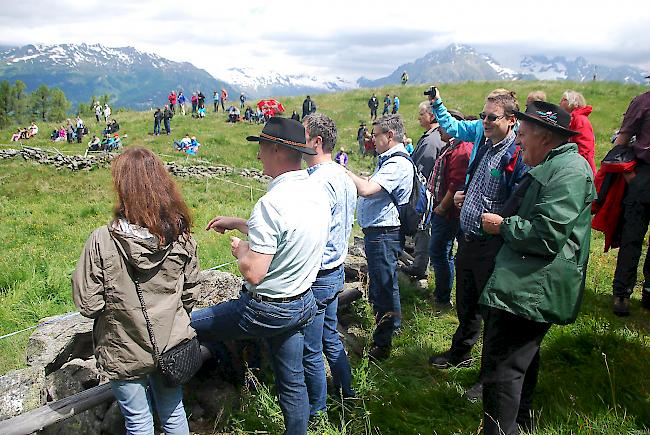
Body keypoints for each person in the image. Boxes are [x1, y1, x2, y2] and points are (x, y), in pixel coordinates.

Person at [191, 117, 329, 435]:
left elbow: (254, 272)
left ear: (278, 150)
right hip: (302, 301)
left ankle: (208, 390)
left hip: (266, 309)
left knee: (186, 326)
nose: (258, 156)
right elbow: (290, 232)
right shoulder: (315, 190)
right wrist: (241, 222)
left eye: (262, 147)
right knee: (292, 382)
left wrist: (241, 250)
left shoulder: (271, 203)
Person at [478, 101, 594, 434]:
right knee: (518, 365)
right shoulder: (557, 165)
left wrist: (503, 226)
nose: (517, 142)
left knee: (501, 371)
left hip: (530, 290)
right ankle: (519, 423)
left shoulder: (569, 171)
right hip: (527, 284)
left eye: (523, 135)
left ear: (545, 137)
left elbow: (546, 235)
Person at [72, 147, 200, 435]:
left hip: (124, 349)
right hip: (172, 343)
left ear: (122, 187)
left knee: (138, 422)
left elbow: (88, 305)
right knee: (173, 412)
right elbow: (191, 292)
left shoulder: (102, 240)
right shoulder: (182, 236)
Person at [427, 88, 527, 397]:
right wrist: (463, 195)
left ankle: (489, 379)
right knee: (467, 302)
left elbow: (518, 200)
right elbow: (479, 184)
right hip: (467, 240)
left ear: (511, 120)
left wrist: (501, 226)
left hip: (491, 245)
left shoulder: (516, 154)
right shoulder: (485, 144)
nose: (484, 121)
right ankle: (461, 352)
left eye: (491, 117)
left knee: (493, 313)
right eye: (482, 115)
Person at [345, 114, 413, 361]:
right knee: (386, 282)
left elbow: (367, 189)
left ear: (389, 136)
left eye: (375, 135)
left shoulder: (397, 164)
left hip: (383, 233)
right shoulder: (388, 161)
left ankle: (382, 344)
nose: (371, 139)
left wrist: (342, 171)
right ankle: (391, 328)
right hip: (379, 233)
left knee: (383, 286)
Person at [301, 113, 357, 418]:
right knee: (330, 337)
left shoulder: (318, 182)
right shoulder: (342, 174)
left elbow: (311, 233)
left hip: (319, 273)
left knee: (310, 349)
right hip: (335, 269)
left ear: (316, 141)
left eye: (302, 136)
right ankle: (348, 394)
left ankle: (317, 411)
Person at [427, 109, 472, 310]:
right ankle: (443, 293)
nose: (438, 131)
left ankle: (443, 297)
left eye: (442, 126)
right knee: (443, 253)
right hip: (446, 209)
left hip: (448, 213)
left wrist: (442, 208)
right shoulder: (453, 146)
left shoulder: (461, 150)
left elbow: (456, 184)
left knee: (438, 252)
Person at [610, 87, 650, 316]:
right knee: (632, 237)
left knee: (632, 237)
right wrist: (629, 174)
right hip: (642, 177)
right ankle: (623, 293)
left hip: (641, 178)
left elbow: (622, 141)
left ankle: (641, 293)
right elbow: (622, 141)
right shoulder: (643, 101)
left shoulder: (643, 101)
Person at [401, 100, 447, 280]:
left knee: (424, 229)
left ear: (432, 115)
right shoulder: (434, 137)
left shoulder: (430, 141)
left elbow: (422, 168)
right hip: (433, 194)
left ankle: (419, 266)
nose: (419, 118)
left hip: (426, 195)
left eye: (422, 114)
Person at [559, 90, 596, 175]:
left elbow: (584, 148)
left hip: (581, 169)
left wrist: (575, 165)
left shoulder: (580, 120)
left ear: (574, 102)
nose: (560, 102)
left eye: (564, 99)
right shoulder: (571, 119)